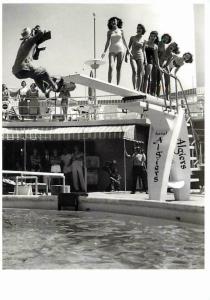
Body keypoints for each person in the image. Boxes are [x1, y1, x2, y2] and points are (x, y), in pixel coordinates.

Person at [12, 27, 63, 98]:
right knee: (44, 70)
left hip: (17, 72)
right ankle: (55, 86)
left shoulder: (25, 44)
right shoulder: (29, 41)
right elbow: (41, 33)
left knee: (36, 76)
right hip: (23, 68)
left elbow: (35, 58)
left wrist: (38, 50)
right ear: (30, 35)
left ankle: (45, 91)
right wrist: (37, 29)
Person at [101, 17, 131, 85]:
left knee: (118, 68)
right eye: (112, 21)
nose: (114, 22)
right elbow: (107, 42)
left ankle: (118, 84)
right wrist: (104, 51)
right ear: (110, 23)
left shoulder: (121, 31)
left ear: (117, 22)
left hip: (121, 50)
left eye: (115, 21)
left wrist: (128, 50)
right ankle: (109, 84)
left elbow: (124, 41)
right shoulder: (109, 32)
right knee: (111, 66)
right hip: (112, 50)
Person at [125, 24, 147, 91]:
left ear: (142, 30)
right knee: (134, 71)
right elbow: (128, 47)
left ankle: (138, 89)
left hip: (140, 56)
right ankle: (134, 88)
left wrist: (145, 59)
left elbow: (143, 50)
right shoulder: (132, 38)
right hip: (132, 56)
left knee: (139, 73)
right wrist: (126, 55)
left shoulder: (144, 40)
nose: (139, 29)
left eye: (140, 28)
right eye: (137, 28)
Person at [142, 31, 161, 95]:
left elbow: (156, 57)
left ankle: (144, 93)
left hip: (150, 62)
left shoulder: (155, 46)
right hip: (142, 60)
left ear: (156, 38)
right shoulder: (145, 42)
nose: (153, 37)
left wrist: (158, 66)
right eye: (152, 36)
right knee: (141, 75)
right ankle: (139, 90)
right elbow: (141, 51)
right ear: (149, 36)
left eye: (154, 36)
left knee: (146, 77)